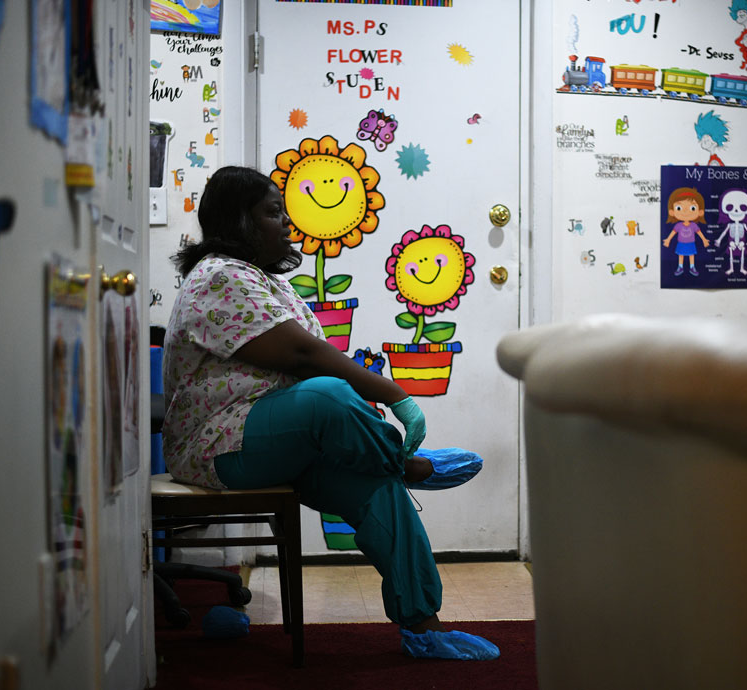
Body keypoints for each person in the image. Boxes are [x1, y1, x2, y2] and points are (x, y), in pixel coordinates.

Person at [161, 165, 496, 661]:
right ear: (240, 222)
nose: (287, 223)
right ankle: (405, 463)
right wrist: (396, 395)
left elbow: (309, 366)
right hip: (217, 447)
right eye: (273, 212)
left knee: (376, 486)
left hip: (284, 440)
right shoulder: (219, 276)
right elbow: (303, 358)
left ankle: (423, 626)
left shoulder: (266, 282)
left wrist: (365, 409)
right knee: (329, 397)